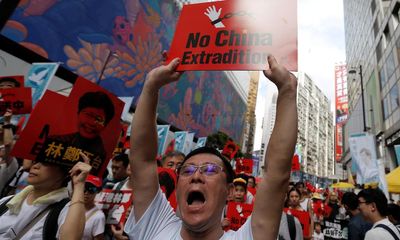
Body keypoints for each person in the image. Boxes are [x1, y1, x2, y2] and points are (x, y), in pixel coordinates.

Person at [124, 55, 298, 239]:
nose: (196, 176)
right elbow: (142, 160)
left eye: (209, 170)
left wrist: (287, 90)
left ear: (229, 191)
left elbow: (276, 175)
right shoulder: (155, 226)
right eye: (187, 171)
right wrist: (151, 85)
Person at [0, 153, 92, 239]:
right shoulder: (6, 202)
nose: (35, 166)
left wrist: (79, 185)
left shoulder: (65, 210)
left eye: (45, 163)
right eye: (35, 161)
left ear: (65, 174)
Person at [41, 91, 115, 176]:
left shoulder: (102, 156)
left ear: (105, 125)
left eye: (99, 119)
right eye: (88, 115)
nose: (91, 123)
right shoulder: (55, 141)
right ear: (78, 113)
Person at [83, 174, 106, 240]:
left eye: (91, 189)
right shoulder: (68, 206)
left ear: (98, 191)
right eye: (84, 188)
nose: (86, 193)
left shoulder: (99, 216)